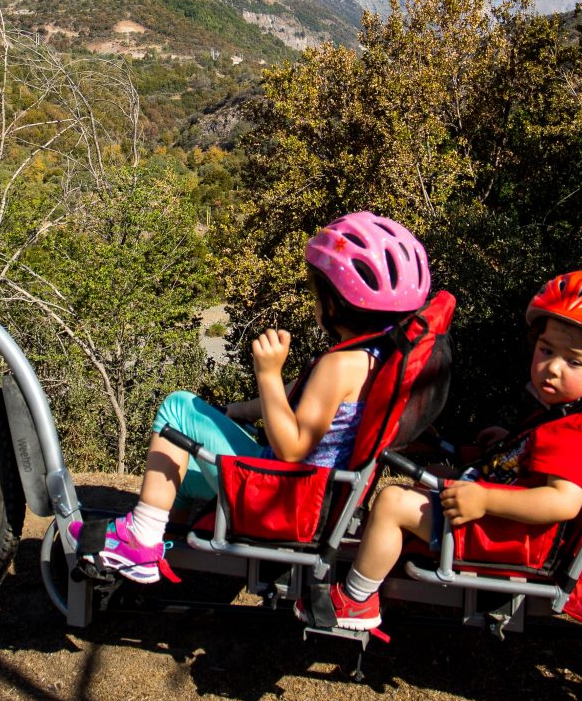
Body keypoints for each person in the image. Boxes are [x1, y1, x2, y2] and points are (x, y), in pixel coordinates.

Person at [81, 212, 433, 583]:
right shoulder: (377, 358)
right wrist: (232, 412)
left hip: (286, 498)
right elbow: (298, 400)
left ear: (335, 304)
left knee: (178, 408)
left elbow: (292, 449)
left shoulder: (338, 367)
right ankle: (173, 540)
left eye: (317, 294)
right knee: (182, 467)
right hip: (313, 494)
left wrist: (267, 373)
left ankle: (141, 541)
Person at [313, 270, 582, 630]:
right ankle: (378, 560)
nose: (552, 368)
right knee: (434, 479)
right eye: (546, 350)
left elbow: (563, 501)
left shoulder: (574, 430)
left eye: (574, 361)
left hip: (505, 536)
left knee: (393, 502)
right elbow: (537, 463)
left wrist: (484, 500)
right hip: (502, 524)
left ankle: (356, 601)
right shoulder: (560, 415)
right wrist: (504, 444)